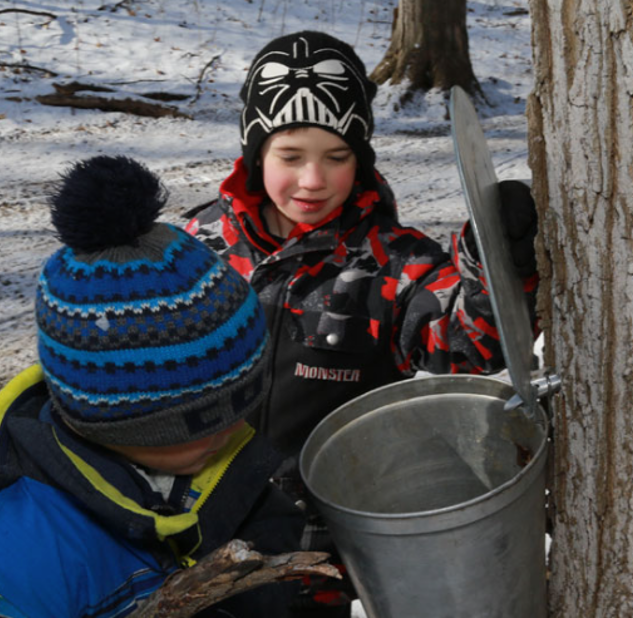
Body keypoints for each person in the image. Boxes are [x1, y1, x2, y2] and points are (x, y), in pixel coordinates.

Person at [184, 30, 539, 616]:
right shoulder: (197, 250)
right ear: (254, 154)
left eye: (338, 157)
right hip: (187, 546)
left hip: (311, 561)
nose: (313, 180)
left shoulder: (389, 263)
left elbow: (466, 345)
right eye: (289, 157)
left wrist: (494, 262)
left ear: (363, 155)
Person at [0, 156, 305, 618]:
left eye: (240, 407)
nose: (228, 434)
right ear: (114, 420)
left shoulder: (220, 471)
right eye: (201, 423)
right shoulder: (10, 564)